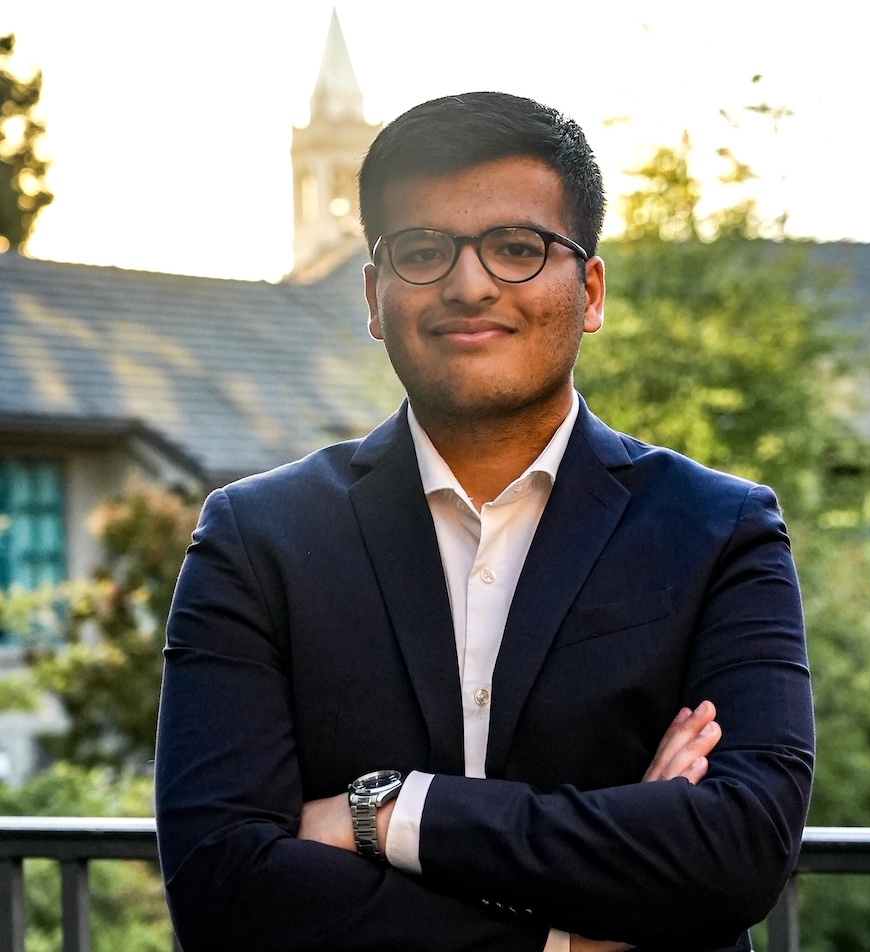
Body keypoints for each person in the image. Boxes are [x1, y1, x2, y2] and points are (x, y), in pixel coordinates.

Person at [155, 91, 814, 952]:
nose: (469, 285)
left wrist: (386, 812)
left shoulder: (719, 530)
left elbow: (739, 849)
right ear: (373, 295)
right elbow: (223, 886)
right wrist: (567, 939)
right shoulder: (256, 539)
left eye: (516, 247)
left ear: (590, 290)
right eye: (423, 251)